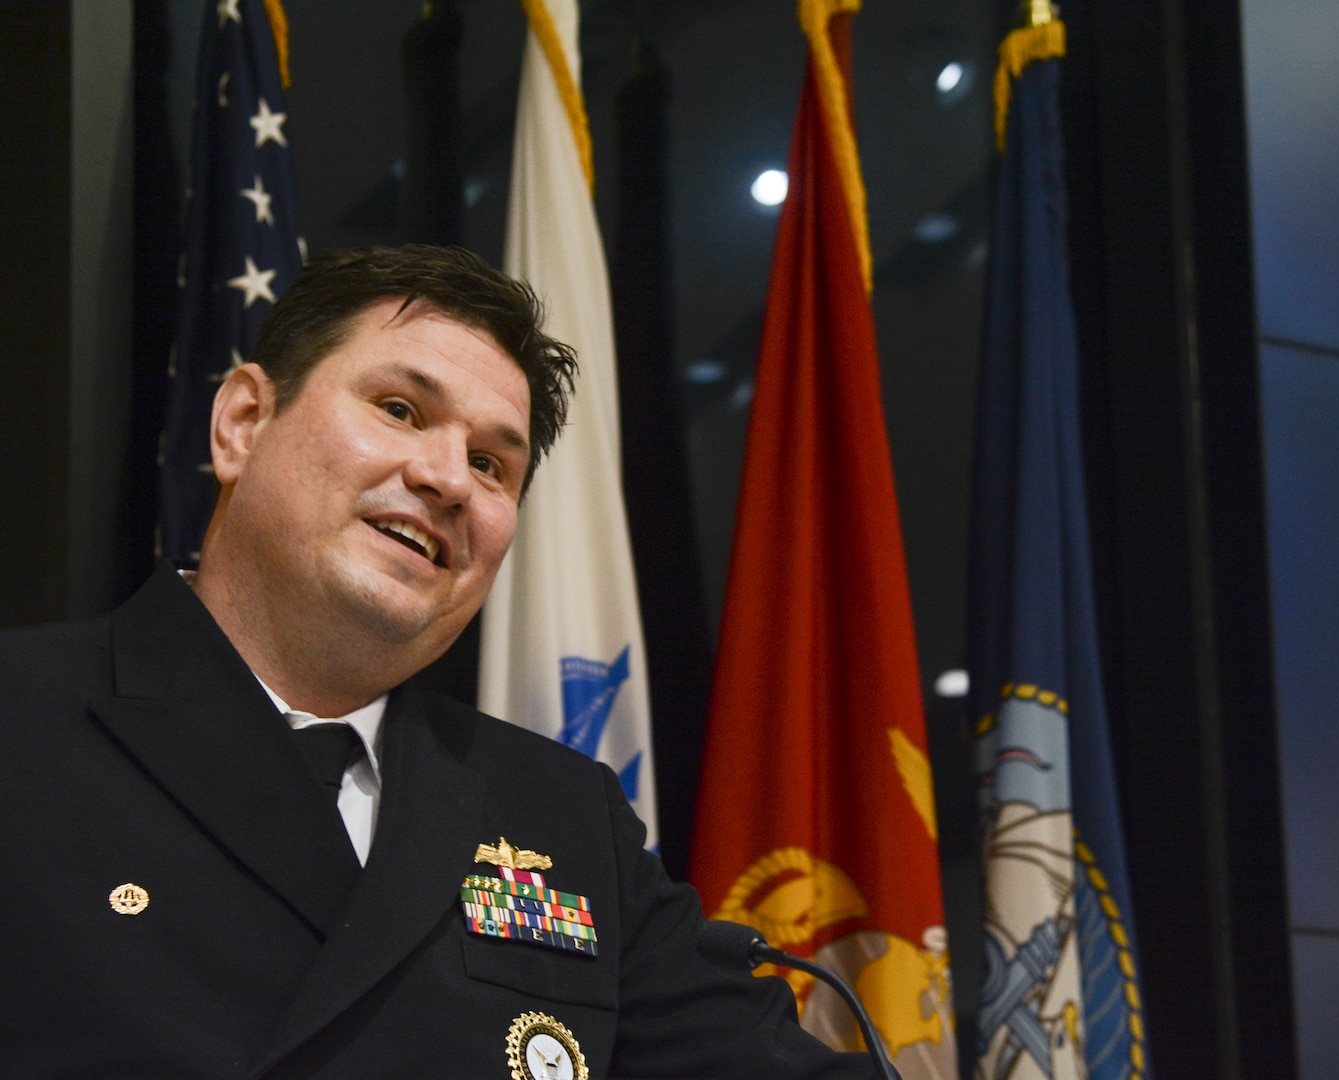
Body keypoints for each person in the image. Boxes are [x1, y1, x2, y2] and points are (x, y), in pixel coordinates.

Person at [0, 246, 877, 1079]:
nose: (449, 479)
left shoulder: (566, 820)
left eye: (493, 464)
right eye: (399, 410)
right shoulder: (23, 721)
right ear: (241, 424)